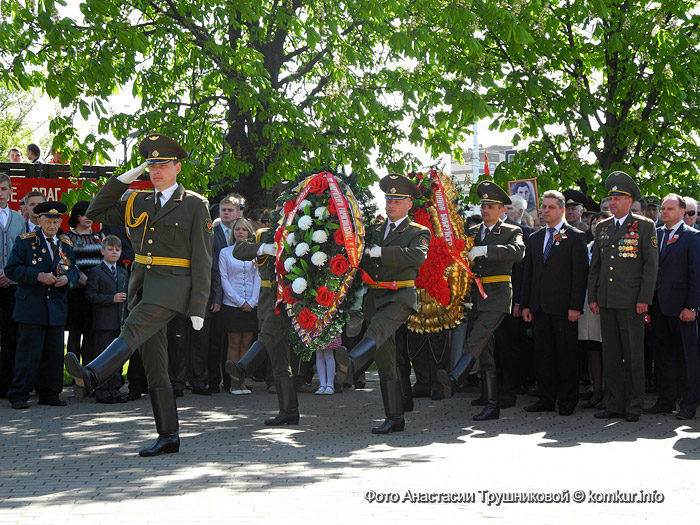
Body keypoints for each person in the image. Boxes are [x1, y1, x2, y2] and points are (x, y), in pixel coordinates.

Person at [64, 133, 213, 456]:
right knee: (155, 361)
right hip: (143, 284)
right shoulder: (137, 200)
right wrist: (126, 177)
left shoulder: (194, 204)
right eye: (151, 165)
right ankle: (169, 435)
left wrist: (199, 303)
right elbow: (96, 209)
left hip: (174, 286)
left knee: (132, 327)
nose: (156, 171)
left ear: (177, 167)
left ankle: (92, 376)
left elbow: (203, 256)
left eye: (162, 165)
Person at [335, 174, 431, 434]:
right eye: (388, 200)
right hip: (375, 297)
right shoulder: (374, 230)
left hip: (400, 297)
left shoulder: (418, 231)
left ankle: (352, 363)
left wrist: (381, 253)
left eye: (397, 201)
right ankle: (395, 417)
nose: (390, 205)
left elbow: (417, 257)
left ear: (409, 204)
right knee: (387, 362)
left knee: (375, 330)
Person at [436, 181, 525, 421]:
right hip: (475, 296)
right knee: (485, 352)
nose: (485, 209)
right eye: (483, 205)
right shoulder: (473, 233)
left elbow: (517, 253)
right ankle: (492, 403)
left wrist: (486, 250)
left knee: (476, 339)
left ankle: (455, 377)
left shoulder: (511, 231)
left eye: (491, 206)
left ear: (502, 210)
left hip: (497, 295)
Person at [225, 180, 302, 426]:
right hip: (267, 299)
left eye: (286, 203)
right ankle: (288, 411)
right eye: (279, 204)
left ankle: (243, 367)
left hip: (288, 301)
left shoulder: (302, 232)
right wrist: (265, 248)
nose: (282, 208)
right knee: (279, 360)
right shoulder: (263, 234)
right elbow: (239, 251)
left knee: (268, 336)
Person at [588, 171, 658, 422]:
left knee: (633, 355)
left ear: (629, 201)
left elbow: (650, 266)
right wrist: (593, 297)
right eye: (611, 198)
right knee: (611, 355)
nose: (612, 202)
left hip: (631, 302)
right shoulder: (604, 227)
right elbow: (596, 264)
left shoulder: (645, 225)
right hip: (606, 300)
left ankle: (634, 406)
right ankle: (615, 404)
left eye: (618, 198)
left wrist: (644, 299)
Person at [521, 190, 589, 415]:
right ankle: (546, 398)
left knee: (566, 355)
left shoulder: (575, 236)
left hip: (564, 308)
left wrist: (575, 306)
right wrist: (527, 305)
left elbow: (579, 276)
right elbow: (529, 274)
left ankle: (568, 400)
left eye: (550, 207)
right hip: (540, 307)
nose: (545, 211)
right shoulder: (535, 238)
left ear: (561, 210)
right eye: (543, 207)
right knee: (543, 356)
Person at [5, 202, 78, 409]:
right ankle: (19, 394)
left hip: (55, 306)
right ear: (39, 221)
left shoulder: (66, 243)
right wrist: (37, 275)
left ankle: (50, 393)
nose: (52, 226)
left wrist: (69, 280)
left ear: (60, 222)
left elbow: (72, 269)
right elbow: (12, 269)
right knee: (28, 353)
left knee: (53, 354)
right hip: (32, 306)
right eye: (48, 221)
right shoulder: (25, 242)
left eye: (56, 222)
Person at [643, 194, 700, 420]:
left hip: (681, 308)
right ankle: (665, 400)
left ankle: (689, 403)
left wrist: (691, 307)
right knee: (663, 355)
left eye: (669, 209)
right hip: (658, 306)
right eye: (663, 209)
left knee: (688, 358)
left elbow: (696, 276)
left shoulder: (692, 237)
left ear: (681, 212)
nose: (663, 212)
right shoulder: (655, 235)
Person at [85, 235, 129, 404]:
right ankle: (101, 390)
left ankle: (115, 389)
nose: (114, 252)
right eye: (110, 249)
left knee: (117, 357)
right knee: (103, 356)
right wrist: (111, 298)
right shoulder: (95, 272)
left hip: (119, 321)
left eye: (117, 250)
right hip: (103, 322)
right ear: (102, 251)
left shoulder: (124, 272)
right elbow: (90, 295)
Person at [208, 194, 244, 393]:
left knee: (234, 340)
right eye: (223, 210)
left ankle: (233, 381)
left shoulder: (242, 232)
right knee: (216, 341)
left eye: (230, 210)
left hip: (238, 296)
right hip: (217, 293)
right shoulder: (211, 233)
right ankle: (214, 381)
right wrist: (217, 296)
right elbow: (214, 268)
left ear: (238, 213)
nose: (227, 213)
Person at [220, 217, 260, 395]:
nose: (240, 232)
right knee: (234, 343)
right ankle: (233, 383)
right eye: (237, 229)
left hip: (252, 302)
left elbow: (258, 276)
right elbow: (224, 279)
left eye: (244, 229)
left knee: (247, 343)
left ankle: (243, 381)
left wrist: (252, 301)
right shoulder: (225, 252)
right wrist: (239, 301)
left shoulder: (256, 252)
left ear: (250, 232)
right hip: (232, 304)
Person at [65, 200, 104, 367]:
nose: (88, 218)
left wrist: (95, 284)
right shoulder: (67, 238)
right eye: (84, 214)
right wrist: (85, 280)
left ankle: (89, 373)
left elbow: (104, 261)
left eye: (91, 213)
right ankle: (74, 374)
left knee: (91, 334)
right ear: (76, 216)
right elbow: (67, 264)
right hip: (76, 293)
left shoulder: (99, 237)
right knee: (74, 335)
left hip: (95, 293)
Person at [0, 173, 26, 399]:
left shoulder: (18, 219)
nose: (0, 193)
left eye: (3, 189)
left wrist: (10, 274)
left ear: (10, 191)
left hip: (11, 284)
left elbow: (21, 252)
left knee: (11, 335)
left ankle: (7, 384)